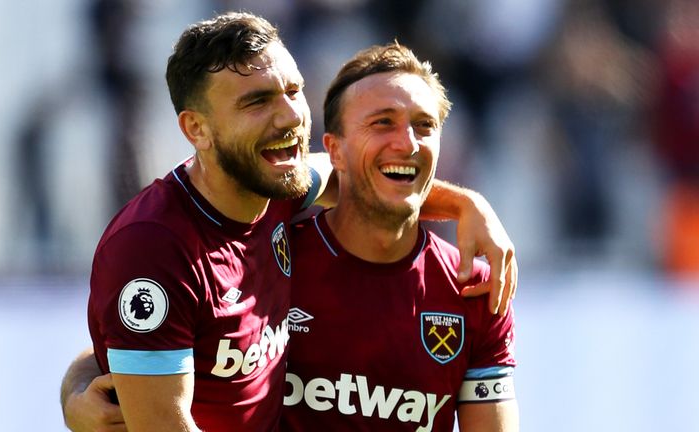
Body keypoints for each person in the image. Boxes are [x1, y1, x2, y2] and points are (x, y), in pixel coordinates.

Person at [60, 12, 517, 432]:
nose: (290, 117)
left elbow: (366, 177)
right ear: (196, 129)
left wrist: (467, 206)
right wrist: (77, 390)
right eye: (257, 101)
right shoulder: (156, 246)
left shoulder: (278, 187)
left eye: (294, 92)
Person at [281, 42, 518, 431]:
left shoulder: (472, 289)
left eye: (424, 126)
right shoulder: (272, 258)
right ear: (334, 151)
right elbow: (231, 186)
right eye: (382, 123)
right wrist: (462, 202)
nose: (407, 143)